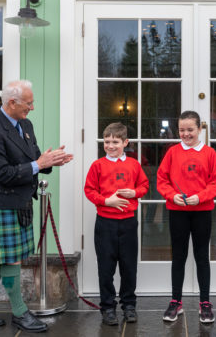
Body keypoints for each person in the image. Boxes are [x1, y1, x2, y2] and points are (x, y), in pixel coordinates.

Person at [0, 80, 73, 333]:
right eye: (29, 103)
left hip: (21, 201)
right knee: (11, 259)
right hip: (1, 202)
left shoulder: (25, 124)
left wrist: (51, 161)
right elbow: (2, 173)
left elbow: (33, 158)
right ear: (12, 102)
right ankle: (20, 312)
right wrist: (39, 163)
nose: (32, 107)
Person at [157, 111, 216, 324]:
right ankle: (176, 301)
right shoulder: (172, 153)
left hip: (202, 212)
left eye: (190, 130)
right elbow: (161, 180)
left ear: (199, 129)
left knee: (202, 256)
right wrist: (172, 195)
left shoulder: (209, 154)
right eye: (182, 130)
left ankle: (205, 302)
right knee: (178, 256)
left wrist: (201, 197)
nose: (186, 134)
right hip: (177, 212)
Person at [84, 122, 149, 326]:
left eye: (115, 142)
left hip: (128, 222)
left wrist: (135, 193)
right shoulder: (97, 165)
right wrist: (106, 201)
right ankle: (108, 307)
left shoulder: (134, 165)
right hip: (105, 223)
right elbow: (89, 190)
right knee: (106, 266)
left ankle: (129, 305)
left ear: (125, 142)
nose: (110, 146)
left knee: (129, 266)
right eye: (107, 141)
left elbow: (144, 185)